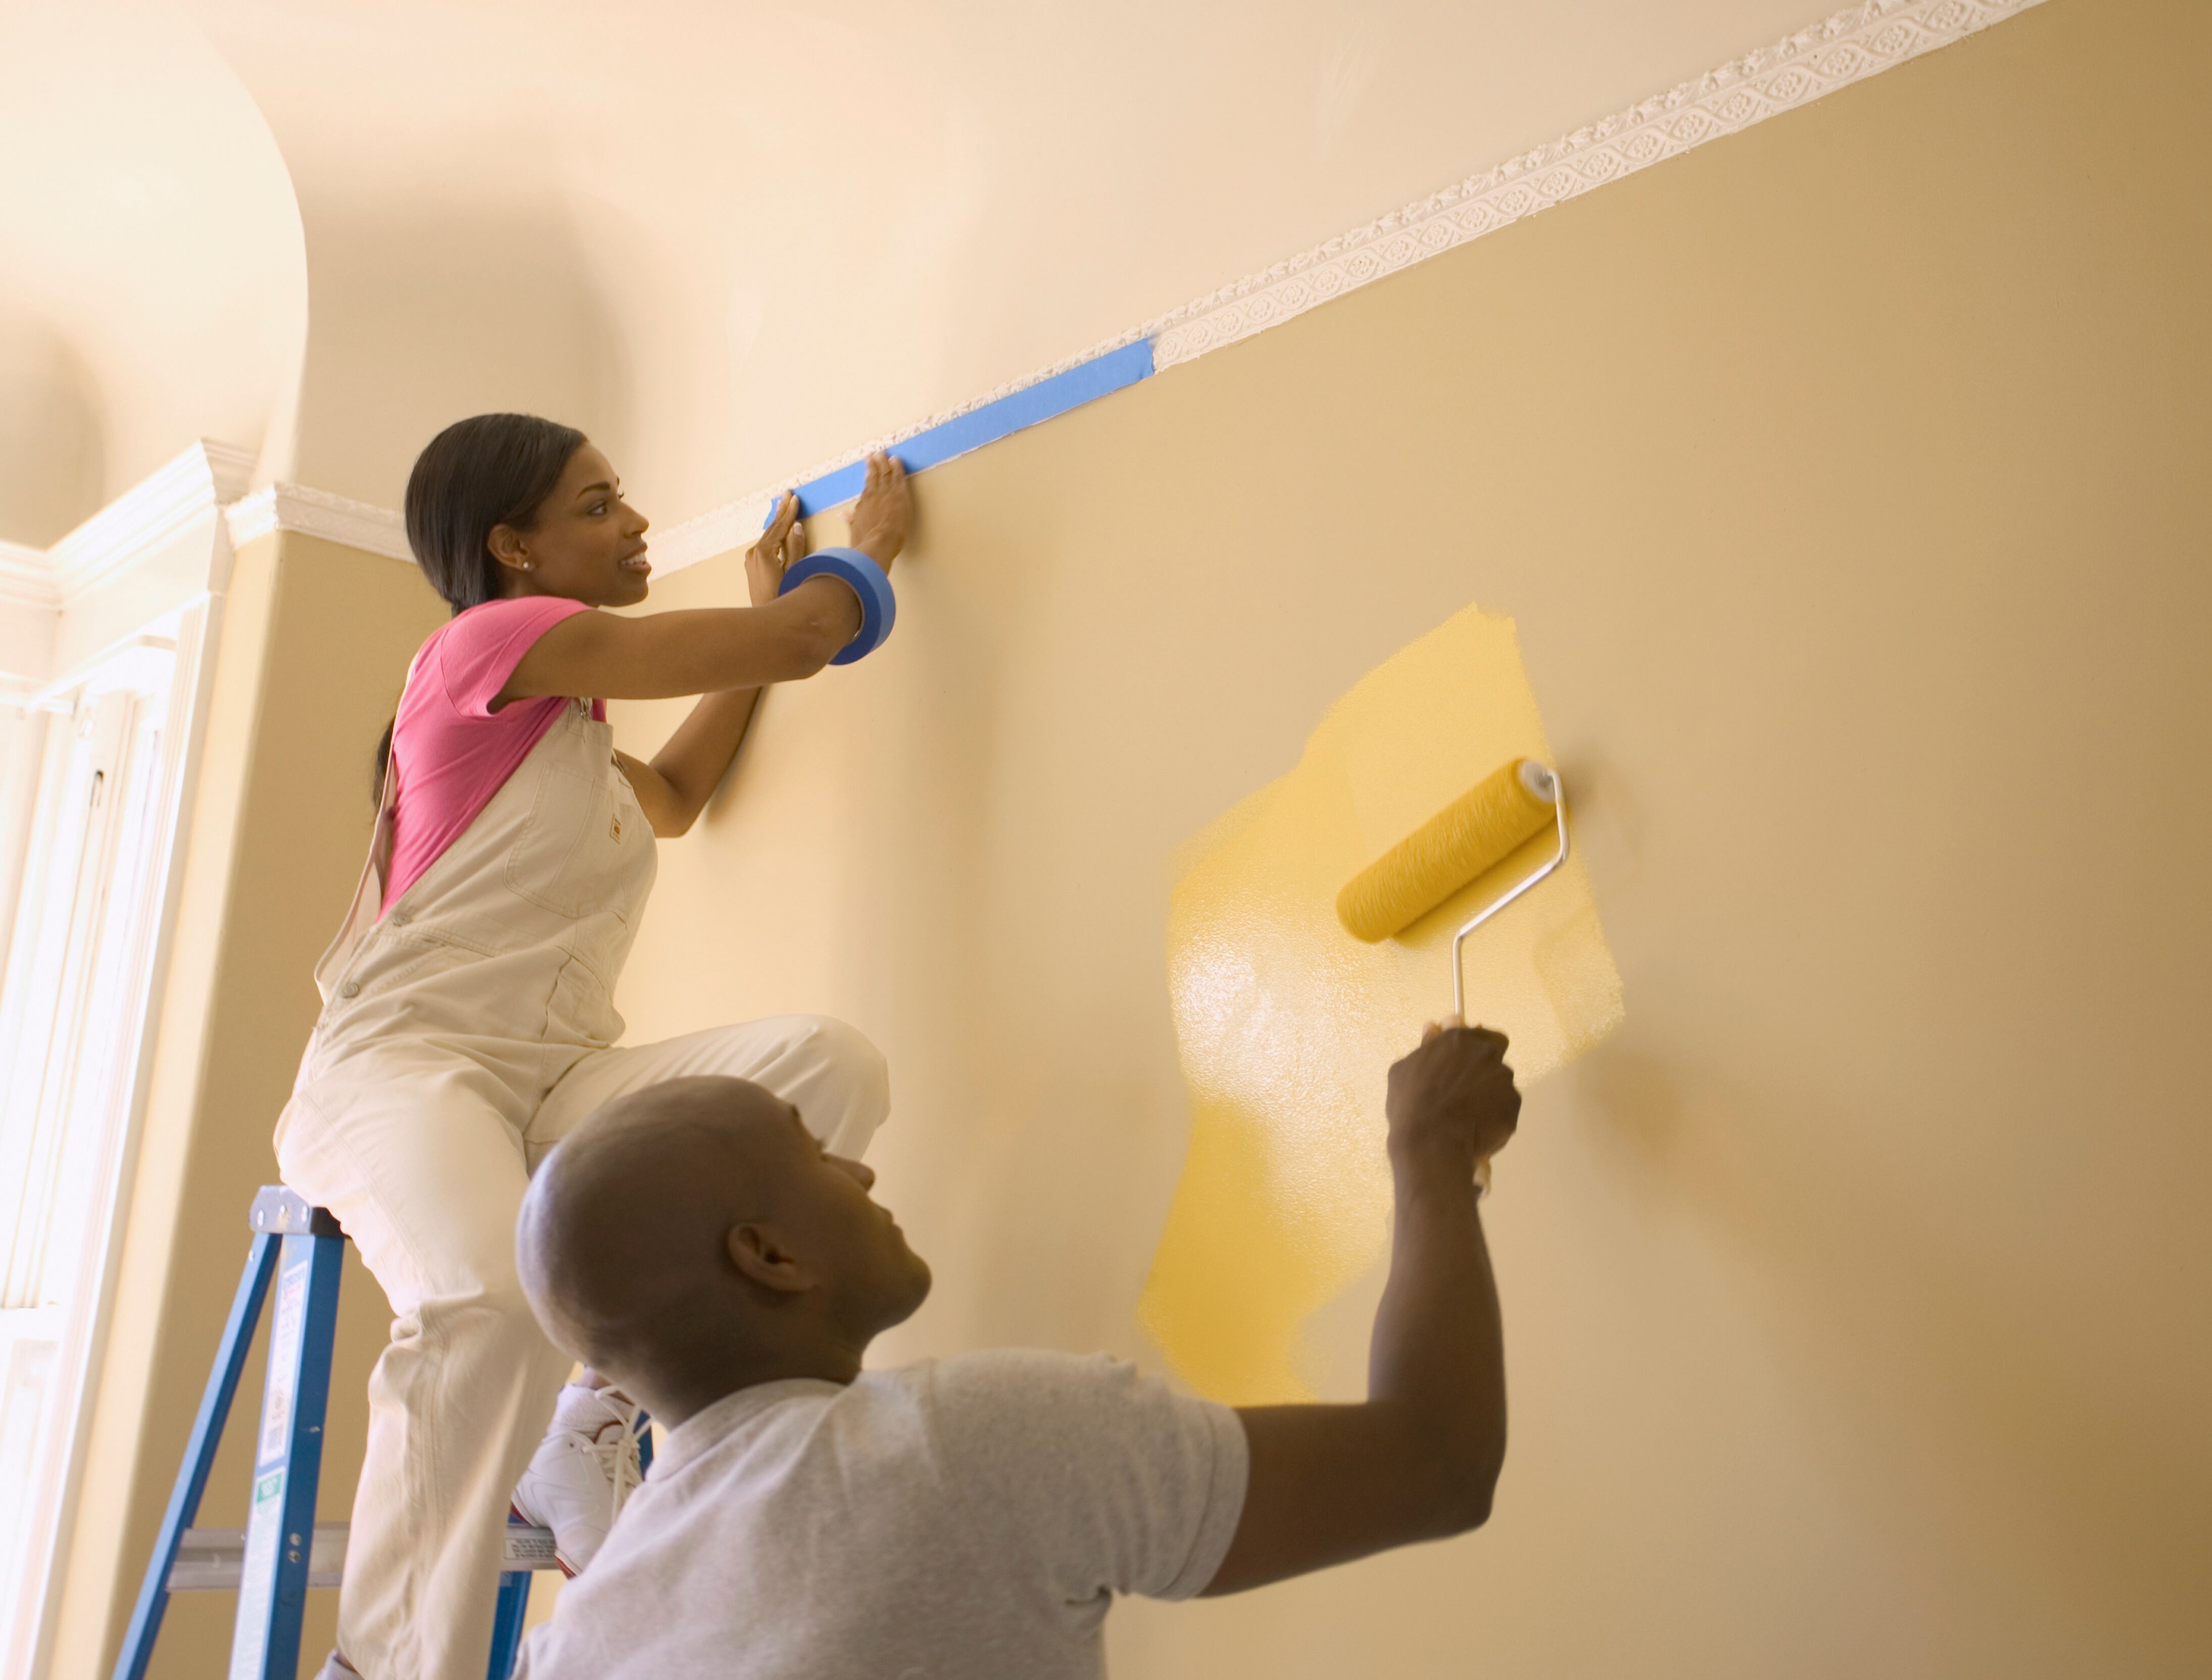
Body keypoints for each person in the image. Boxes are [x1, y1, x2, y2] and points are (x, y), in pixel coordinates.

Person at [278, 413, 913, 1680]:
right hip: (402, 1065)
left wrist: (770, 626)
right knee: (485, 1299)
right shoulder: (485, 646)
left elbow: (671, 795)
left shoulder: (564, 735)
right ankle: (392, 1667)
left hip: (556, 1077)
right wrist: (862, 564)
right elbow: (801, 641)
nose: (632, 522)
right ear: (513, 548)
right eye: (599, 503)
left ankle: (594, 1420)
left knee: (826, 1066)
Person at [510, 1020, 1521, 1679]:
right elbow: (1436, 1462)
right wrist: (1431, 1150)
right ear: (768, 1255)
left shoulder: (574, 1649)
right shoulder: (958, 1445)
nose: (859, 1171)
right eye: (813, 1154)